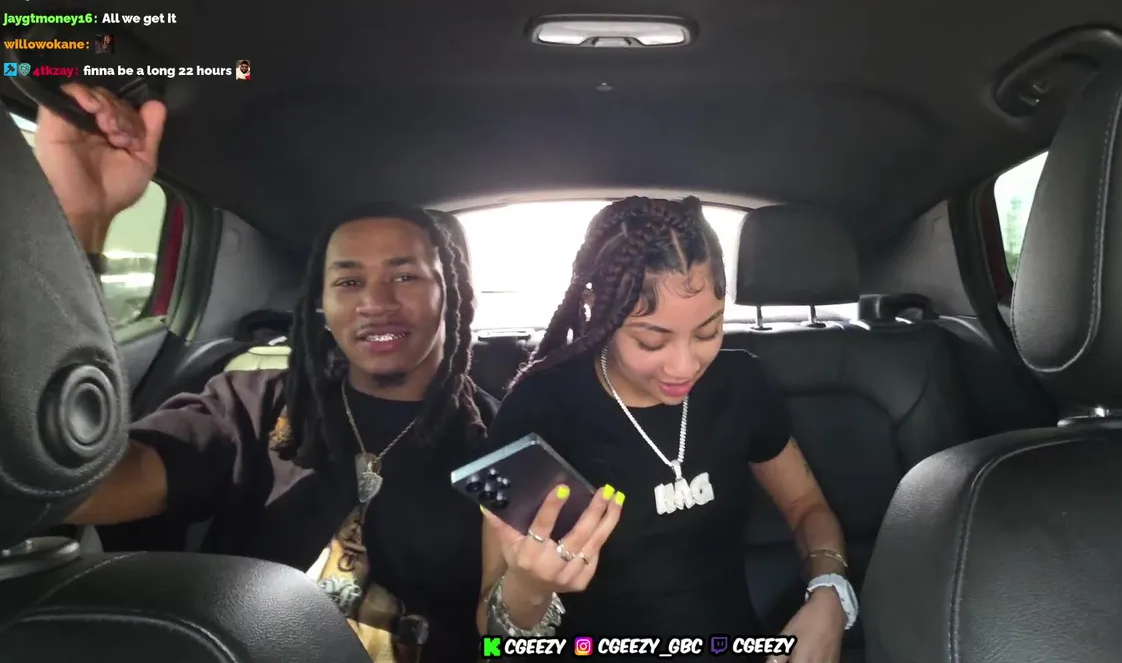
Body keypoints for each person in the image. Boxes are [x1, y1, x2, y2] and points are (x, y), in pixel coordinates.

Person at [34, 83, 495, 663]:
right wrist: (81, 218)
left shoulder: (495, 440)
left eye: (405, 276)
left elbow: (515, 633)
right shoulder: (251, 407)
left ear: (451, 295)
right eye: (348, 281)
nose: (375, 302)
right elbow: (82, 491)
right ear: (320, 304)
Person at [476, 196, 855, 663]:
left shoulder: (741, 385)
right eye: (650, 341)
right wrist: (529, 587)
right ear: (598, 310)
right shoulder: (537, 410)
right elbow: (491, 637)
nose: (684, 366)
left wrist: (830, 594)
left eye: (708, 332)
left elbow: (805, 506)